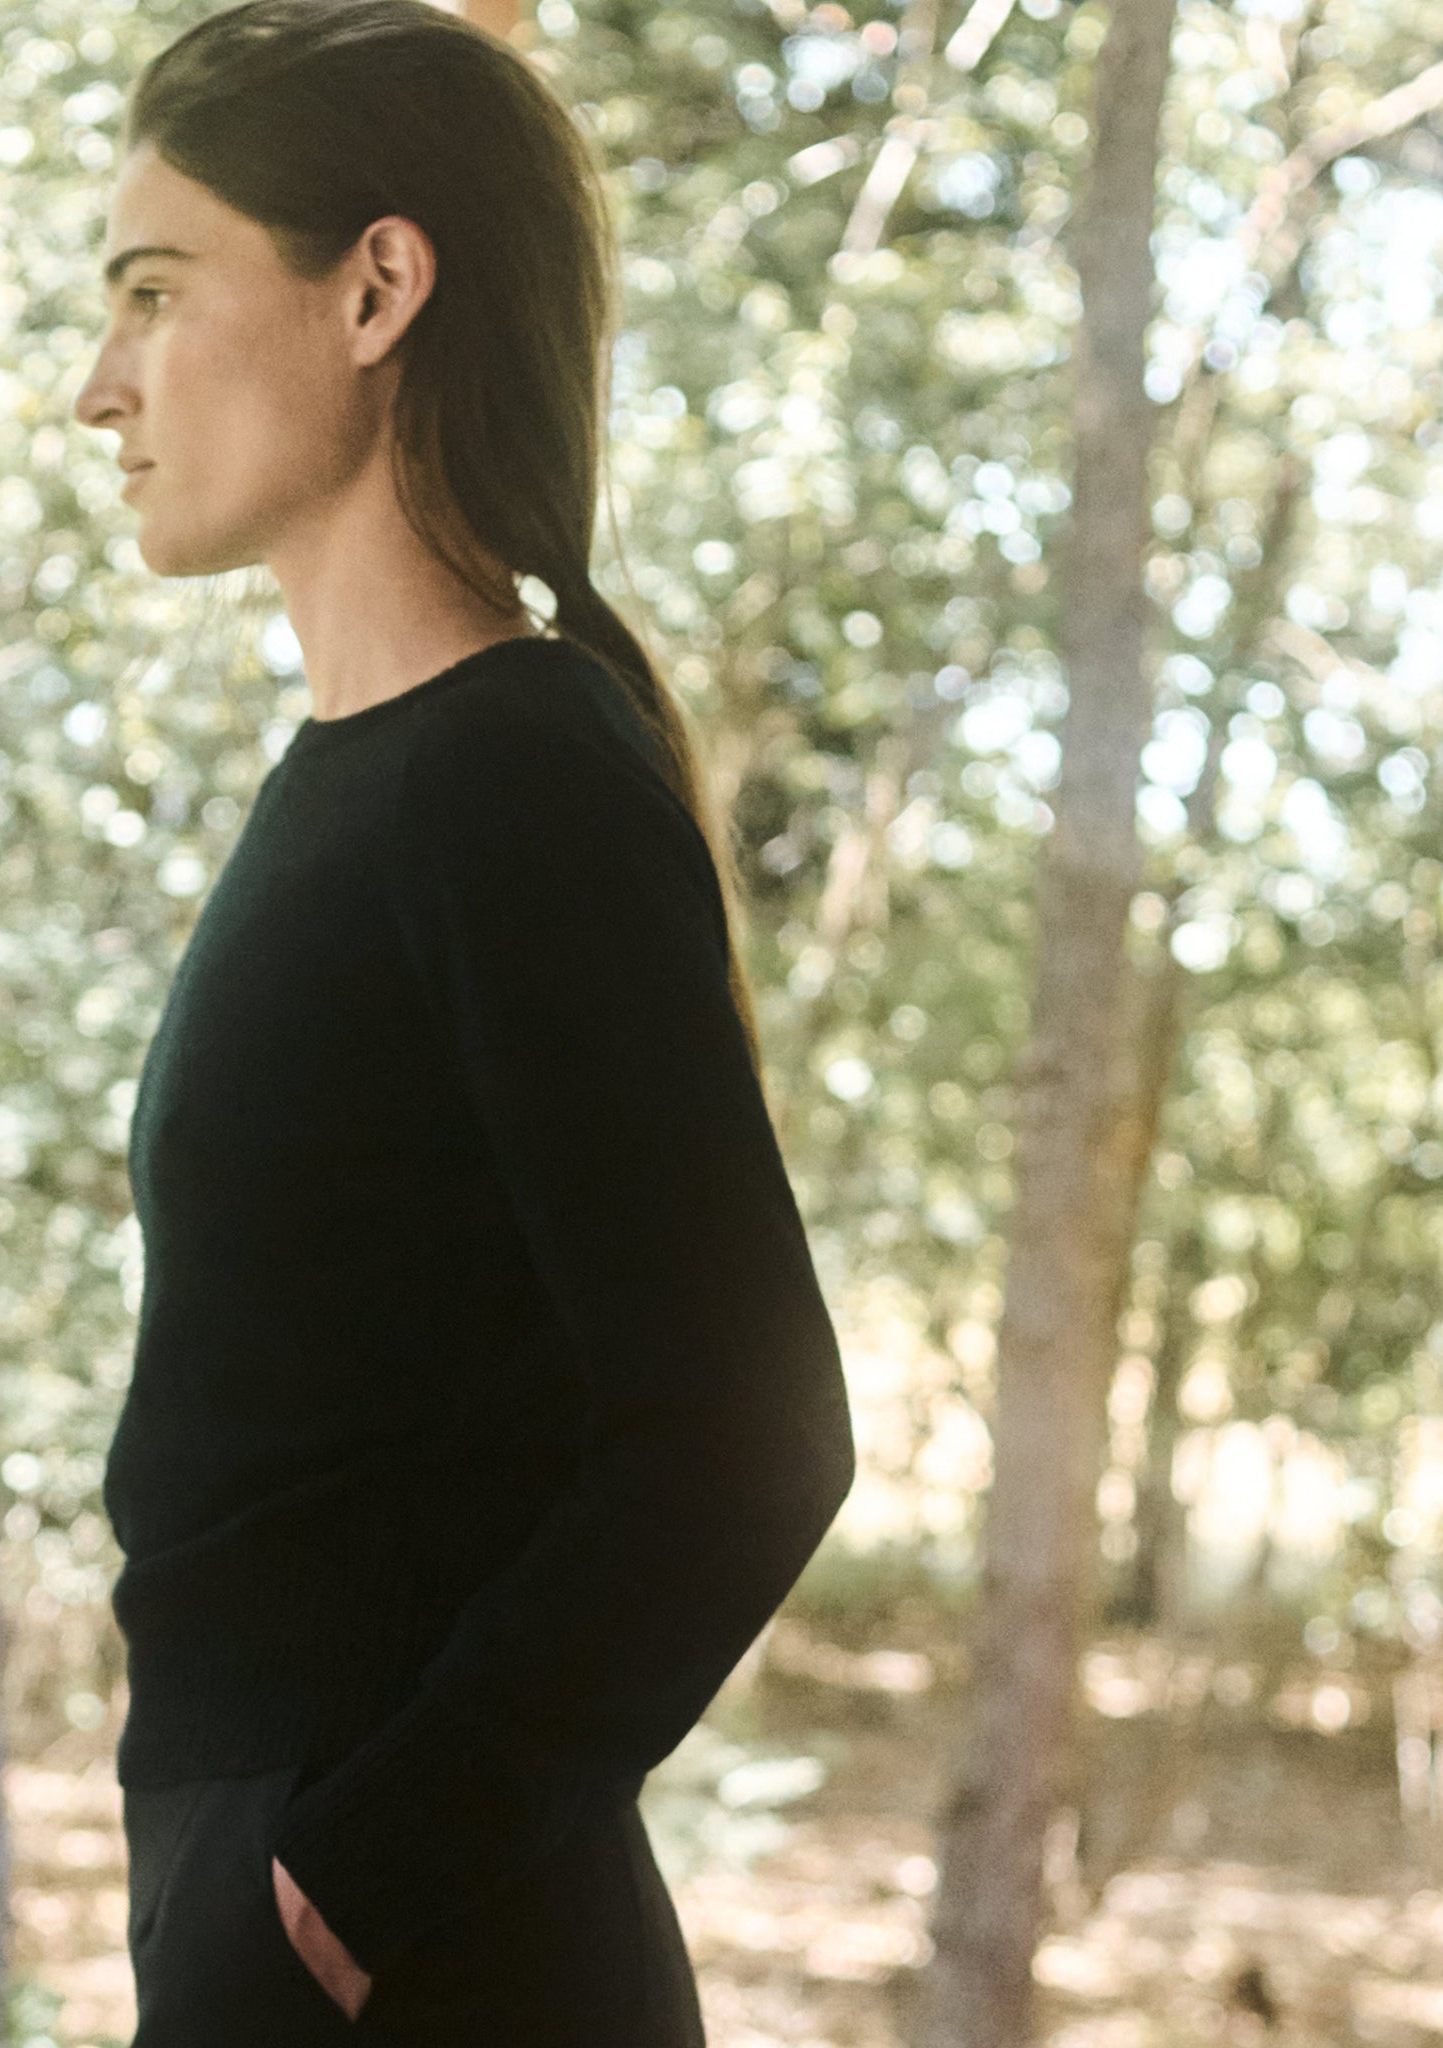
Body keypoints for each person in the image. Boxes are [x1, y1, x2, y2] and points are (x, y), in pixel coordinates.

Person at [71, 3, 855, 2041]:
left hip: (431, 1957)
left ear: (377, 286)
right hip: (288, 1903)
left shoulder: (510, 776)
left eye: (155, 293)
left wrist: (338, 1897)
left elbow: (744, 1438)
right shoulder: (360, 777)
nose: (100, 386)